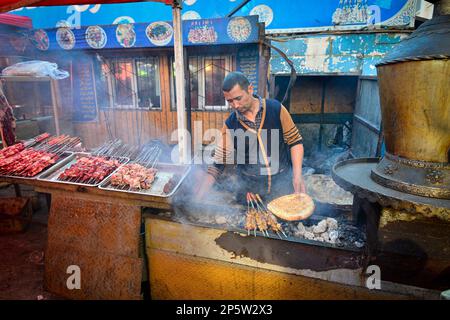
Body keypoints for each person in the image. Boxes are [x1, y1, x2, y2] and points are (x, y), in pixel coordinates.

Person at [196, 72, 305, 204]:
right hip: (251, 193)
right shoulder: (230, 125)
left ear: (250, 89)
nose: (235, 105)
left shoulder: (276, 109)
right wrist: (197, 199)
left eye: (238, 98)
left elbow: (295, 142)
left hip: (282, 187)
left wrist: (297, 176)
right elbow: (218, 164)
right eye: (230, 101)